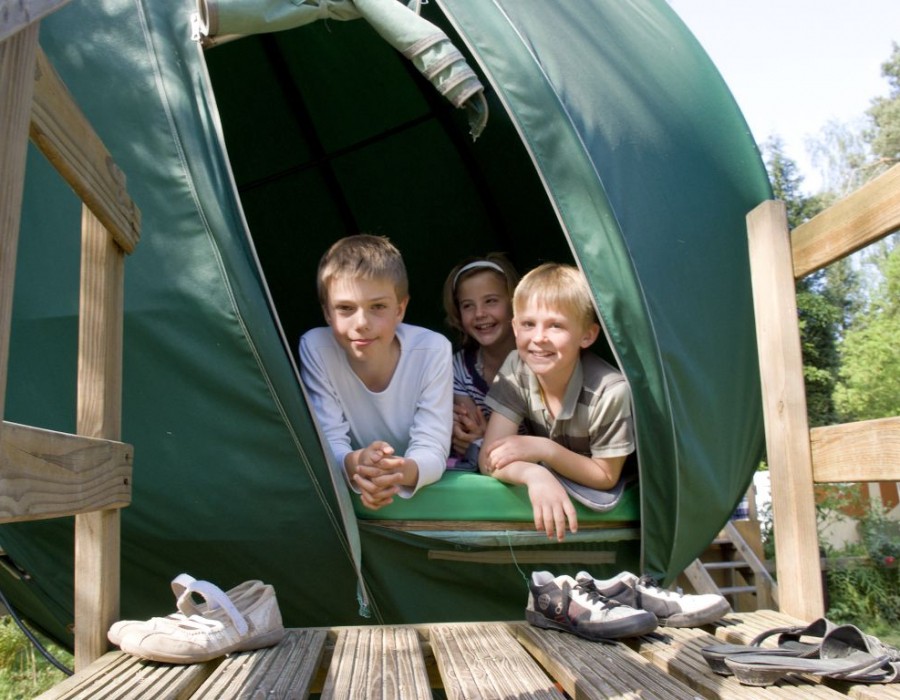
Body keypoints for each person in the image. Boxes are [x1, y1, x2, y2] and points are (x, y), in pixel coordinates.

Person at [479, 263, 635, 541]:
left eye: (556, 325)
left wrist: (544, 450)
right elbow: (490, 457)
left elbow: (606, 476)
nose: (539, 338)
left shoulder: (610, 392)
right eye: (528, 324)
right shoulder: (516, 367)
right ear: (515, 328)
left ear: (587, 335)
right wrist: (533, 475)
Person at [299, 234, 453, 511]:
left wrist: (393, 473)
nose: (361, 323)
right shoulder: (316, 347)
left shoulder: (433, 350)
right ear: (326, 313)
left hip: (412, 486)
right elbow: (328, 442)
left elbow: (433, 446)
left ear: (400, 308)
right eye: (345, 308)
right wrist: (358, 465)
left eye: (377, 307)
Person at [442, 253, 519, 468]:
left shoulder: (536, 358)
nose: (480, 314)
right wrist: (473, 438)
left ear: (513, 303)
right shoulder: (459, 367)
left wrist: (486, 438)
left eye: (491, 301)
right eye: (468, 305)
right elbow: (471, 433)